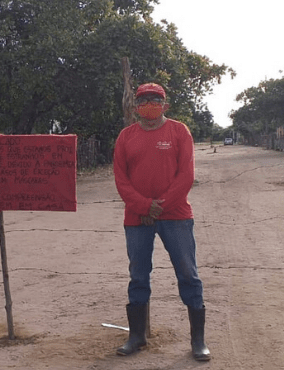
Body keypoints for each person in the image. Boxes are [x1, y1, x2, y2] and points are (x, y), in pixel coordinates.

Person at [113, 83, 210, 361]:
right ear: (135, 107)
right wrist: (143, 206)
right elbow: (121, 179)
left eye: (156, 100)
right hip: (136, 217)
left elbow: (186, 175)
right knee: (138, 276)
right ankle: (137, 336)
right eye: (144, 100)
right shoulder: (125, 137)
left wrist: (158, 207)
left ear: (165, 105)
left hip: (176, 216)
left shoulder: (179, 132)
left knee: (188, 274)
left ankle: (198, 341)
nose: (150, 105)